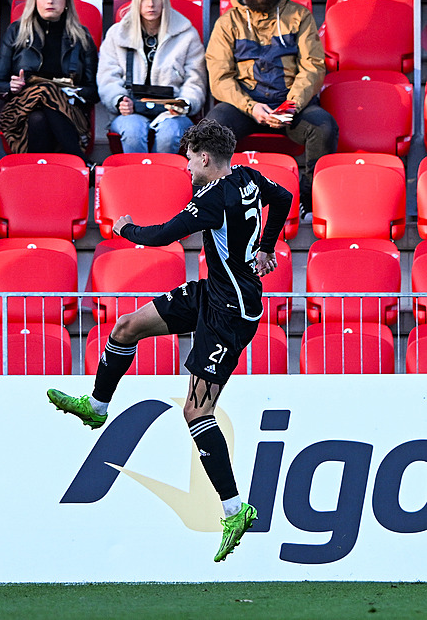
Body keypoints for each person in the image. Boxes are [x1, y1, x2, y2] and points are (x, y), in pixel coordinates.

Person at [47, 119, 292, 562]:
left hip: (229, 314)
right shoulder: (248, 176)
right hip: (210, 293)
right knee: (126, 327)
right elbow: (284, 196)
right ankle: (98, 407)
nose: (186, 168)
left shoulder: (214, 198)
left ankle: (236, 509)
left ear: (203, 157)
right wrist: (268, 247)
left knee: (197, 410)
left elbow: (160, 236)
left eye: (188, 159)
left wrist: (123, 228)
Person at [204, 0, 338, 221]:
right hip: (244, 106)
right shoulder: (228, 22)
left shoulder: (299, 16)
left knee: (324, 127)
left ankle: (308, 201)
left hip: (291, 104)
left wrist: (291, 104)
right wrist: (250, 106)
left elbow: (313, 67)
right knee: (210, 129)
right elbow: (219, 77)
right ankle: (211, 199)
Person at [0, 0, 99, 158]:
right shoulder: (16, 32)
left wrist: (70, 93)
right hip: (20, 115)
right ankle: (79, 160)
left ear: (66, 1)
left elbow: (94, 91)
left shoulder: (81, 37)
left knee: (39, 117)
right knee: (43, 90)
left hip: (69, 113)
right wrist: (11, 87)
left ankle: (35, 173)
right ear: (35, 0)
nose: (50, 1)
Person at [96, 0, 206, 154]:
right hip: (130, 112)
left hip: (172, 113)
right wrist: (119, 100)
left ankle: (163, 177)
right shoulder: (117, 34)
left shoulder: (187, 34)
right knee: (133, 130)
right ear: (136, 0)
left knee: (169, 133)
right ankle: (137, 178)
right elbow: (107, 77)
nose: (150, 3)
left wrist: (184, 103)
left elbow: (195, 80)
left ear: (165, 0)